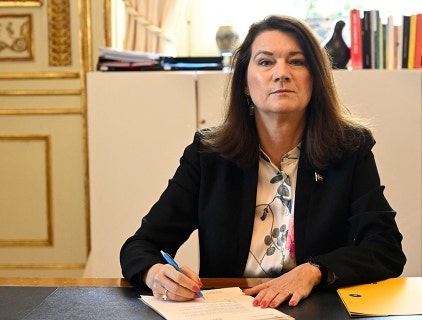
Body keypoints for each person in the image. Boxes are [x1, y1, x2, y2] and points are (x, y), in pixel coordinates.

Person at [120, 14, 406, 309]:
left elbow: (385, 248)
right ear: (245, 82)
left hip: (317, 309)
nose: (281, 73)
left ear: (316, 79)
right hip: (235, 311)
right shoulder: (208, 155)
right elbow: (141, 246)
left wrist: (314, 270)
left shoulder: (349, 149)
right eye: (266, 62)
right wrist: (156, 275)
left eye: (296, 61)